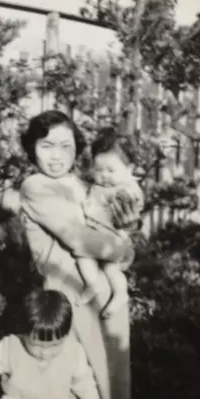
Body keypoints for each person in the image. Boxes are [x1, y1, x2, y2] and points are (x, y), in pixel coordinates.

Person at [15, 110, 135, 399]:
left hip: (107, 301)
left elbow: (122, 244)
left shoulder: (83, 186)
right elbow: (79, 238)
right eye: (47, 145)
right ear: (31, 148)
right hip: (69, 297)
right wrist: (122, 246)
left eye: (66, 147)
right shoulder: (36, 186)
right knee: (76, 385)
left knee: (112, 385)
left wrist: (125, 239)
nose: (57, 156)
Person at [0, 289, 101, 399]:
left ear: (66, 336)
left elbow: (83, 380)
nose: (45, 353)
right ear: (23, 333)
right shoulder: (10, 348)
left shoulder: (73, 352)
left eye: (55, 345)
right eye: (37, 345)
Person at [77, 128, 145, 319]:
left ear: (129, 170)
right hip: (96, 234)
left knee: (109, 266)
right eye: (99, 170)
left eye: (111, 170)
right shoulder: (96, 186)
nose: (105, 175)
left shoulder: (125, 188)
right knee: (84, 258)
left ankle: (120, 293)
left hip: (113, 237)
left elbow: (133, 207)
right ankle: (92, 284)